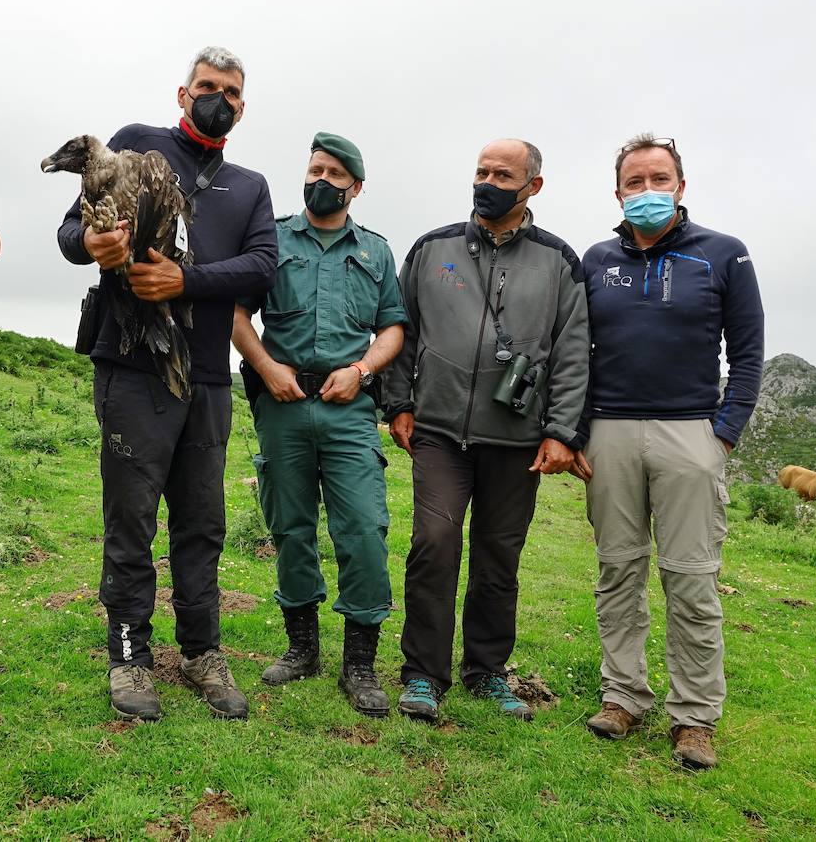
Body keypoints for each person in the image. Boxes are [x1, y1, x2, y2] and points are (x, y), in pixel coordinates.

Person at [56, 47, 277, 723]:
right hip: (131, 365)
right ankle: (128, 655)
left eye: (231, 91)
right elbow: (70, 233)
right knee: (130, 520)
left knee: (203, 524)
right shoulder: (133, 145)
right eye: (206, 87)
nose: (218, 98)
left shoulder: (250, 186)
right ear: (182, 94)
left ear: (243, 105)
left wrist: (187, 281)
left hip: (208, 376)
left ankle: (202, 652)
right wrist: (96, 246)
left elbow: (263, 267)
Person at [571, 134, 763, 769]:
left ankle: (695, 716)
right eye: (634, 181)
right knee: (618, 570)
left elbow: (748, 353)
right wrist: (576, 431)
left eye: (659, 179)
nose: (646, 191)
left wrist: (724, 433)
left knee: (691, 577)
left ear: (681, 186)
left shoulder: (724, 256)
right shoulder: (595, 260)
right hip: (610, 431)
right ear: (618, 190)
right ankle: (623, 694)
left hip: (691, 433)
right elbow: (574, 352)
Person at [385, 140, 588, 723]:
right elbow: (401, 326)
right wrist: (398, 402)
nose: (489, 181)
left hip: (519, 440)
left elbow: (573, 353)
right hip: (440, 432)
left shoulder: (558, 262)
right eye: (481, 171)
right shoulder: (432, 249)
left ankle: (487, 673)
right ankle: (423, 674)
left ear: (533, 187)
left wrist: (562, 431)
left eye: (504, 174)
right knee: (433, 544)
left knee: (499, 556)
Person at [232, 133, 406, 717]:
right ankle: (302, 648)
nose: (321, 181)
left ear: (355, 187)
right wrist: (266, 366)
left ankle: (360, 663)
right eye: (314, 169)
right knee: (291, 528)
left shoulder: (376, 252)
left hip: (349, 408)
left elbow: (393, 328)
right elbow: (237, 312)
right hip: (281, 404)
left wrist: (360, 370)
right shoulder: (271, 239)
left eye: (334, 173)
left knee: (362, 530)